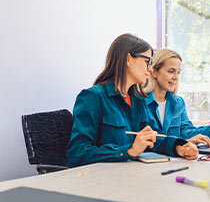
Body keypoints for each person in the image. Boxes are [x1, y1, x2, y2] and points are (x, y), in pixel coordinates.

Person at [67, 34, 198, 167]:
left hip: (132, 176)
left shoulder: (138, 101)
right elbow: (77, 153)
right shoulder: (92, 98)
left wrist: (179, 147)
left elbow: (154, 139)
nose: (150, 69)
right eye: (147, 62)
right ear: (128, 59)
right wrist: (129, 151)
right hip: (103, 180)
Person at [143, 49, 210, 147]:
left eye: (178, 72)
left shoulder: (178, 103)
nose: (176, 77)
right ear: (154, 72)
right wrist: (181, 144)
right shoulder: (140, 102)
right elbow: (147, 141)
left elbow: (189, 133)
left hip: (175, 162)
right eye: (171, 71)